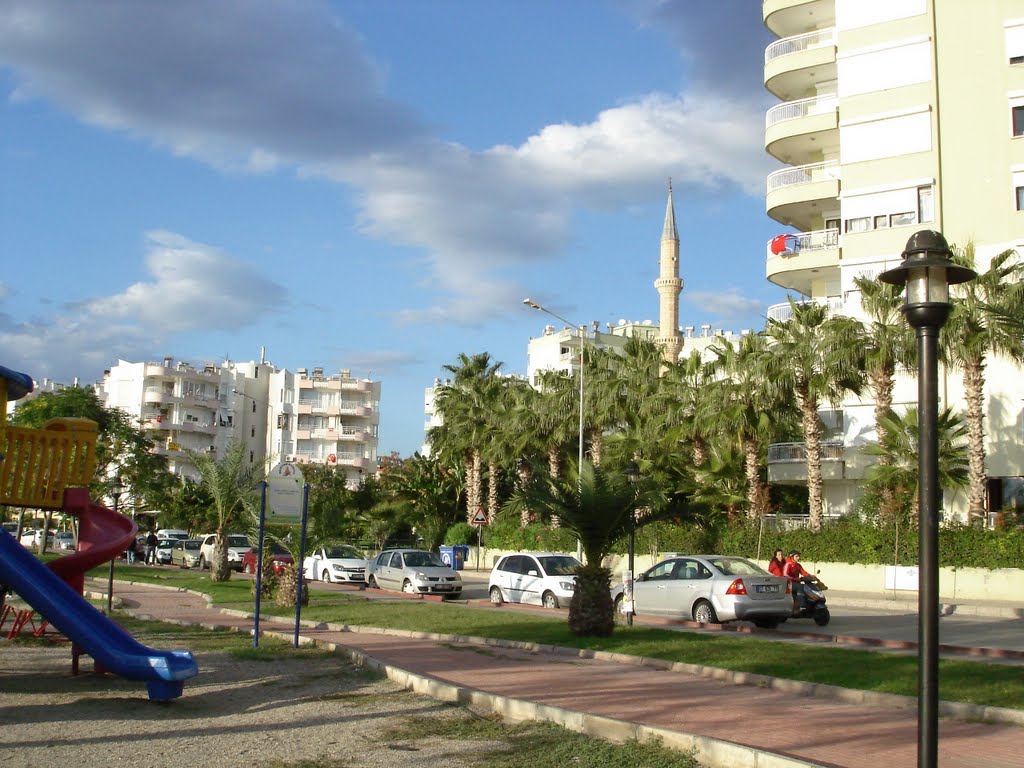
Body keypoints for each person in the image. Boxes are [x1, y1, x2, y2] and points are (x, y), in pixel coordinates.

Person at [783, 549, 811, 614]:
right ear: (792, 557)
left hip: (796, 583)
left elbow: (804, 573)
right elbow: (785, 575)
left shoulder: (798, 565)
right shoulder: (788, 564)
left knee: (806, 587)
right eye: (797, 556)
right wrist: (795, 579)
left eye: (799, 556)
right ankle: (802, 606)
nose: (798, 558)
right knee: (800, 587)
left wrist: (811, 576)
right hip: (789, 584)